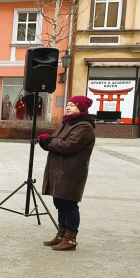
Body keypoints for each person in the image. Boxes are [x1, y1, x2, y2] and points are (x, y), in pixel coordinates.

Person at [38, 95, 96, 251]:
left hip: (71, 173)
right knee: (60, 203)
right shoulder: (69, 123)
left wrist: (49, 140)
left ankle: (70, 239)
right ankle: (61, 234)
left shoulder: (84, 126)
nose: (68, 107)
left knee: (69, 204)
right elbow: (57, 142)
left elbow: (68, 145)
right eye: (68, 104)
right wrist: (45, 142)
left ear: (81, 108)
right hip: (59, 171)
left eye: (73, 105)